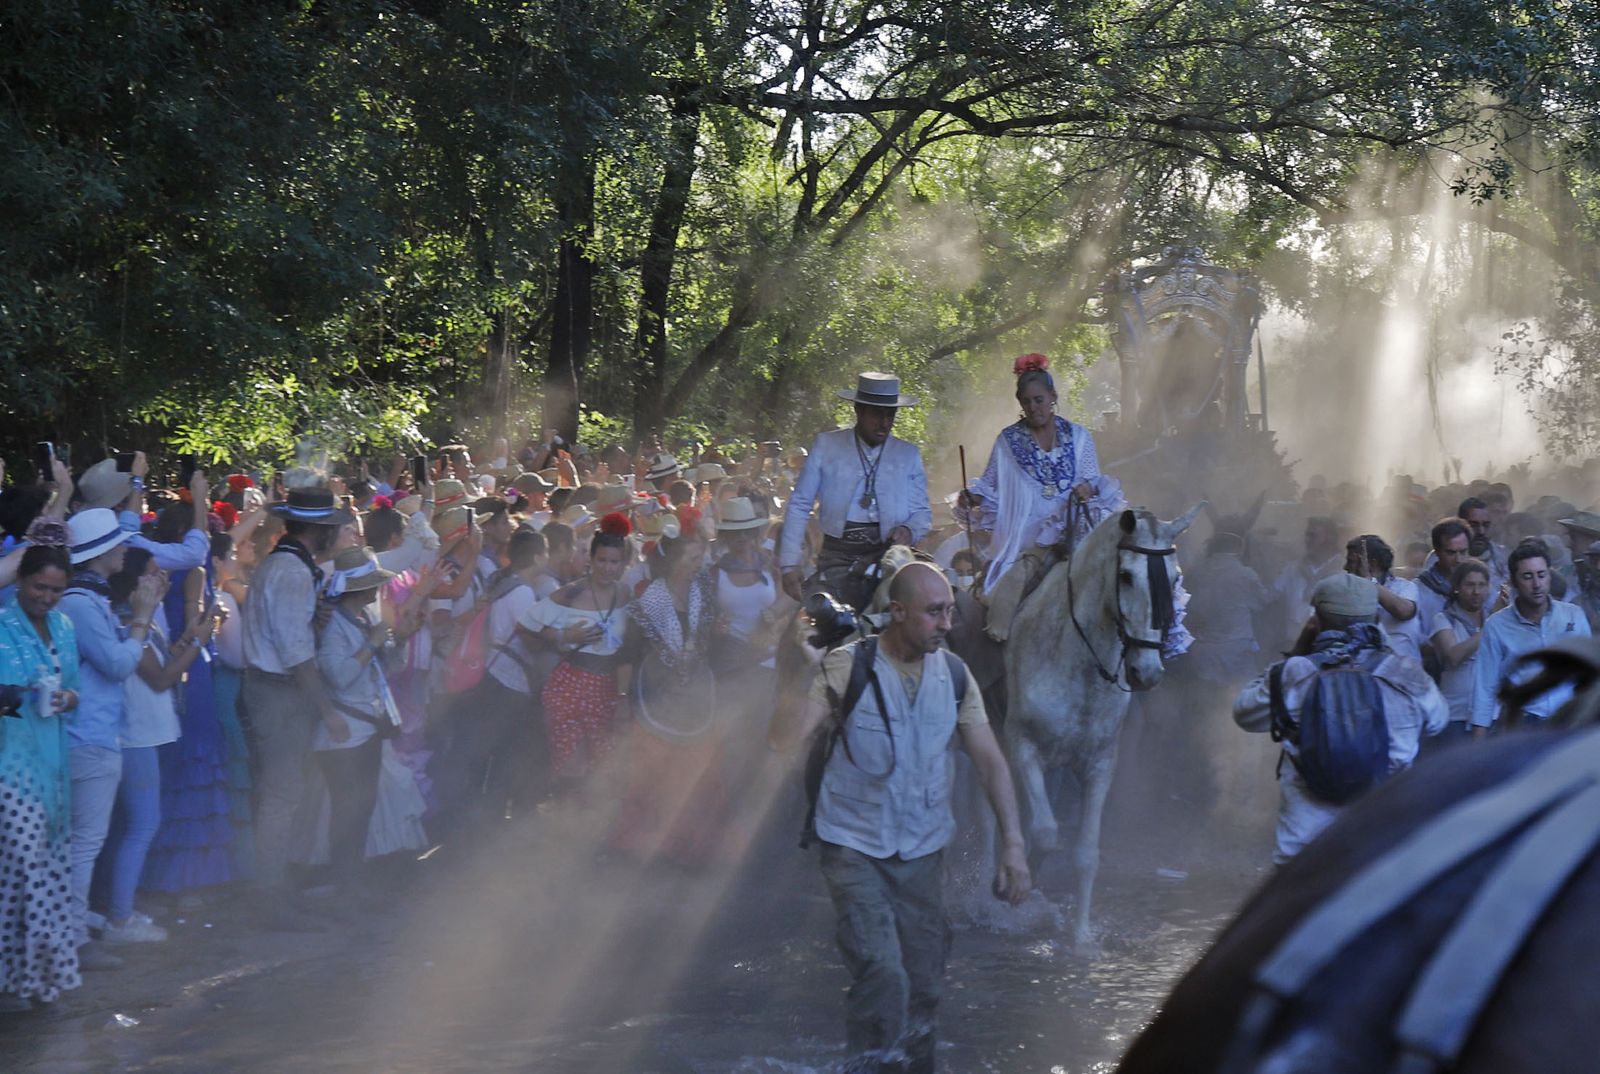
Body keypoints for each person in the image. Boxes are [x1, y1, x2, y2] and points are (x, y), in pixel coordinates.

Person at [770, 563, 1031, 1074]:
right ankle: (869, 1066)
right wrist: (804, 671)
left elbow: (990, 762)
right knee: (883, 972)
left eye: (950, 612)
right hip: (852, 843)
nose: (947, 624)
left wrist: (1014, 845)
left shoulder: (954, 675)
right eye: (935, 613)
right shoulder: (848, 666)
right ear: (897, 612)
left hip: (922, 849)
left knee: (926, 984)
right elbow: (782, 741)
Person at [1233, 573, 1448, 863]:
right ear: (1374, 617)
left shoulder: (1296, 672)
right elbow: (1438, 721)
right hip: (1382, 840)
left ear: (1317, 619)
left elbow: (1245, 714)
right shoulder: (1403, 671)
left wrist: (1297, 650)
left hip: (1305, 847)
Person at [56, 507, 165, 970]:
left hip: (90, 734)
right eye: (119, 543)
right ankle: (75, 939)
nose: (125, 549)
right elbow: (119, 665)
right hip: (90, 737)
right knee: (83, 844)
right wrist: (141, 617)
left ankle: (72, 932)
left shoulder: (85, 599)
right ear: (101, 551)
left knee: (80, 843)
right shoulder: (81, 602)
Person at [241, 486, 355, 927]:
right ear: (319, 530)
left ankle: (277, 886)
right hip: (279, 691)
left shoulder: (287, 565)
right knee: (281, 795)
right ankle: (269, 896)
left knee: (285, 793)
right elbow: (296, 655)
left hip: (276, 688)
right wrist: (326, 709)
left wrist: (315, 622)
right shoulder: (290, 572)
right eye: (331, 527)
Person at [957, 354, 1119, 642]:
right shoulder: (1007, 441)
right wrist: (973, 497)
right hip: (1023, 541)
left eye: (1039, 400)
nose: (1034, 408)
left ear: (1053, 397)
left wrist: (1088, 489)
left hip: (1074, 533)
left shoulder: (1079, 437)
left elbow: (1094, 480)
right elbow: (990, 483)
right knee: (1002, 597)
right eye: (1027, 402)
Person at [100, 548, 217, 943]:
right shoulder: (123, 621)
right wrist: (197, 645)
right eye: (153, 574)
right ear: (134, 582)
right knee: (141, 825)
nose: (161, 578)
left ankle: (120, 906)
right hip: (136, 737)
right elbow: (162, 677)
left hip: (149, 734)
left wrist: (189, 635)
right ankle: (119, 917)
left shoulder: (142, 618)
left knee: (134, 825)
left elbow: (164, 657)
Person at [608, 519, 728, 864]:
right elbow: (628, 654)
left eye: (700, 558)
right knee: (655, 777)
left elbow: (705, 641)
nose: (698, 565)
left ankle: (691, 845)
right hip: (656, 697)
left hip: (696, 696)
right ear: (674, 560)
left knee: (697, 776)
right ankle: (652, 846)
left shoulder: (702, 590)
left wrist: (717, 632)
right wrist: (620, 700)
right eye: (692, 559)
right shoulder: (651, 600)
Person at [0, 544, 82, 1009]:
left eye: (56, 590)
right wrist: (17, 697)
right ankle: (20, 980)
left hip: (53, 764)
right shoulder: (0, 627)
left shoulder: (65, 628)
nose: (47, 597)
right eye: (39, 587)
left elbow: (75, 687)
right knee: (23, 872)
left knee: (50, 869)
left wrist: (65, 699)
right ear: (19, 581)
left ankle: (42, 978)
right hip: (11, 766)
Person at [779, 372, 932, 609]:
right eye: (876, 414)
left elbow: (922, 512)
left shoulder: (908, 454)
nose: (884, 423)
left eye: (890, 415)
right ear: (859, 411)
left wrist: (908, 530)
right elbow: (800, 504)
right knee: (815, 625)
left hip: (893, 559)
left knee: (930, 611)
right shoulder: (827, 445)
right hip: (837, 559)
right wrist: (789, 563)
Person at [313, 546, 414, 893]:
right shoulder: (333, 627)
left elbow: (389, 666)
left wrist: (397, 641)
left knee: (361, 809)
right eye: (371, 583)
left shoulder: (362, 619)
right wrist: (371, 645)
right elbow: (339, 676)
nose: (376, 589)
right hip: (344, 734)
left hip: (365, 729)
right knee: (347, 810)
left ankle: (349, 877)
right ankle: (343, 879)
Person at [525, 516, 633, 789]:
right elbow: (527, 625)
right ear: (591, 560)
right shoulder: (571, 593)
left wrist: (622, 696)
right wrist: (564, 636)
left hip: (607, 689)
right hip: (570, 686)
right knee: (572, 769)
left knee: (604, 772)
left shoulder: (625, 593)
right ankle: (563, 825)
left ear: (623, 564)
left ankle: (591, 828)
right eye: (602, 560)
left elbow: (628, 648)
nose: (607, 568)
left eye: (614, 562)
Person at [1470, 540, 1593, 734]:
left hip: (1568, 721)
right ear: (1514, 582)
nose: (1536, 584)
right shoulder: (1496, 625)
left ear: (1549, 577)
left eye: (1541, 575)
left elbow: (1590, 673)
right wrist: (1478, 739)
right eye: (1527, 577)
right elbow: (1485, 686)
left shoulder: (1573, 615)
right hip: (1522, 724)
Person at [1428, 559, 1492, 743]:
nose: (1476, 592)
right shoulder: (1443, 619)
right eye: (1470, 585)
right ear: (1457, 587)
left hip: (1490, 713)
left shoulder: (1495, 619)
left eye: (1482, 585)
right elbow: (1453, 657)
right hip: (1456, 714)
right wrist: (1490, 628)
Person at [1342, 535, 1423, 663]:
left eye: (1350, 561)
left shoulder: (1405, 587)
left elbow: (1403, 611)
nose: (1345, 567)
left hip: (1403, 674)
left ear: (1372, 564)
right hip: (1365, 675)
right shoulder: (1347, 594)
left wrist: (1369, 582)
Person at [1272, 516, 1344, 648]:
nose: (1307, 540)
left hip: (1327, 646)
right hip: (1293, 643)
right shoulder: (1292, 568)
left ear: (1330, 538)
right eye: (1306, 535)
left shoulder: (1343, 572)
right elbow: (1271, 596)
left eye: (1313, 536)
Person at [1413, 518, 1471, 633]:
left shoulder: (1478, 585)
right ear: (1437, 552)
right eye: (1451, 553)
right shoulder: (1418, 590)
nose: (1458, 559)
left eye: (1463, 552)